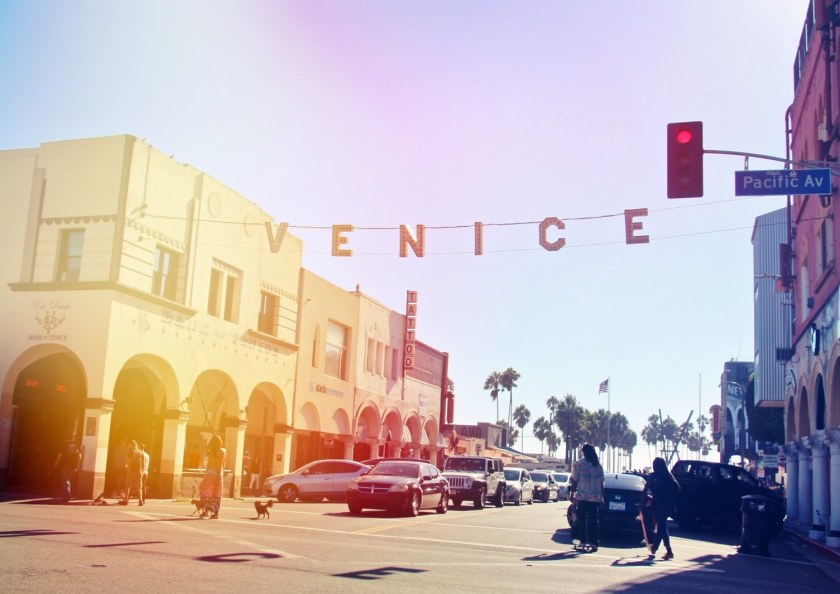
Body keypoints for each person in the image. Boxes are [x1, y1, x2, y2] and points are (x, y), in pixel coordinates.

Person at [643, 457, 681, 560]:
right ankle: (664, 549)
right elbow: (677, 488)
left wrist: (643, 501)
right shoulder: (668, 476)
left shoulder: (655, 476)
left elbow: (646, 489)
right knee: (662, 526)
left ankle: (661, 548)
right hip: (667, 505)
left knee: (662, 527)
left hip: (659, 504)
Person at [569, 443, 605, 551]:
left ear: (583, 452)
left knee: (581, 519)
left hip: (582, 496)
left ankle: (583, 541)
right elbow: (601, 482)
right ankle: (594, 543)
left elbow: (574, 480)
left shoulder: (579, 464)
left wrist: (572, 494)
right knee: (593, 520)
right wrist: (602, 497)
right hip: (595, 497)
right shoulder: (598, 465)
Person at [199, 434, 226, 519]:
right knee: (217, 493)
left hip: (210, 472)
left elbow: (209, 464)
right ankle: (216, 513)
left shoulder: (210, 451)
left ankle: (206, 511)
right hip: (219, 472)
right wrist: (219, 473)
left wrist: (206, 474)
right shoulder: (223, 451)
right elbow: (223, 464)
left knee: (207, 491)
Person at [123, 440, 145, 506]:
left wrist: (127, 470)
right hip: (139, 472)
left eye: (130, 445)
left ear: (132, 445)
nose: (129, 447)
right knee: (139, 487)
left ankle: (126, 500)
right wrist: (142, 472)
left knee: (127, 486)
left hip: (131, 472)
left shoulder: (131, 452)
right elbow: (143, 464)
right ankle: (140, 500)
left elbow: (128, 462)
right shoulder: (141, 453)